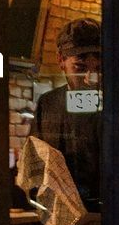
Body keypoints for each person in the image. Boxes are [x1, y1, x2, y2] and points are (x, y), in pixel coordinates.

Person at [31, 17, 102, 210]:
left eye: (98, 69)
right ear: (60, 60)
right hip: (57, 216)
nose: (90, 79)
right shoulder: (48, 103)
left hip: (105, 218)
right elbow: (35, 164)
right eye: (80, 68)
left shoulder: (113, 104)